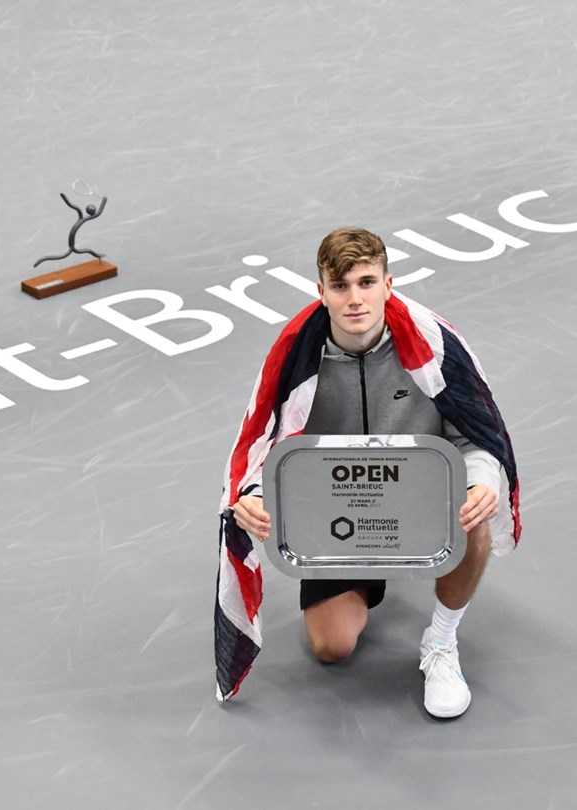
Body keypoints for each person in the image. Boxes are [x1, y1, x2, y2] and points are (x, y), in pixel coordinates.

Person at [215, 227, 520, 718]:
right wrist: (251, 495)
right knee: (333, 646)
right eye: (340, 287)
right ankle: (367, 577)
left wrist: (481, 479)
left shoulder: (434, 348)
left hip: (419, 502)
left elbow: (474, 435)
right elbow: (263, 446)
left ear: (388, 284)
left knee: (475, 515)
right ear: (321, 292)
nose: (355, 299)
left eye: (366, 282)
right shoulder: (296, 359)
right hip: (338, 519)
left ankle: (441, 643)